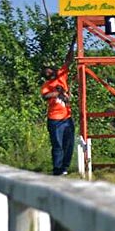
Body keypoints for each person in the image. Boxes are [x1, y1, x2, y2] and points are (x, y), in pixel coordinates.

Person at [41, 33, 78, 176]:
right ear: (47, 75)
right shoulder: (46, 85)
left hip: (67, 118)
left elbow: (69, 60)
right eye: (49, 71)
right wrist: (59, 93)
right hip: (55, 120)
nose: (53, 70)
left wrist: (73, 42)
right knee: (57, 145)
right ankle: (57, 169)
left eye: (52, 69)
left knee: (69, 145)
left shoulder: (62, 75)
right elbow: (46, 96)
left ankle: (64, 168)